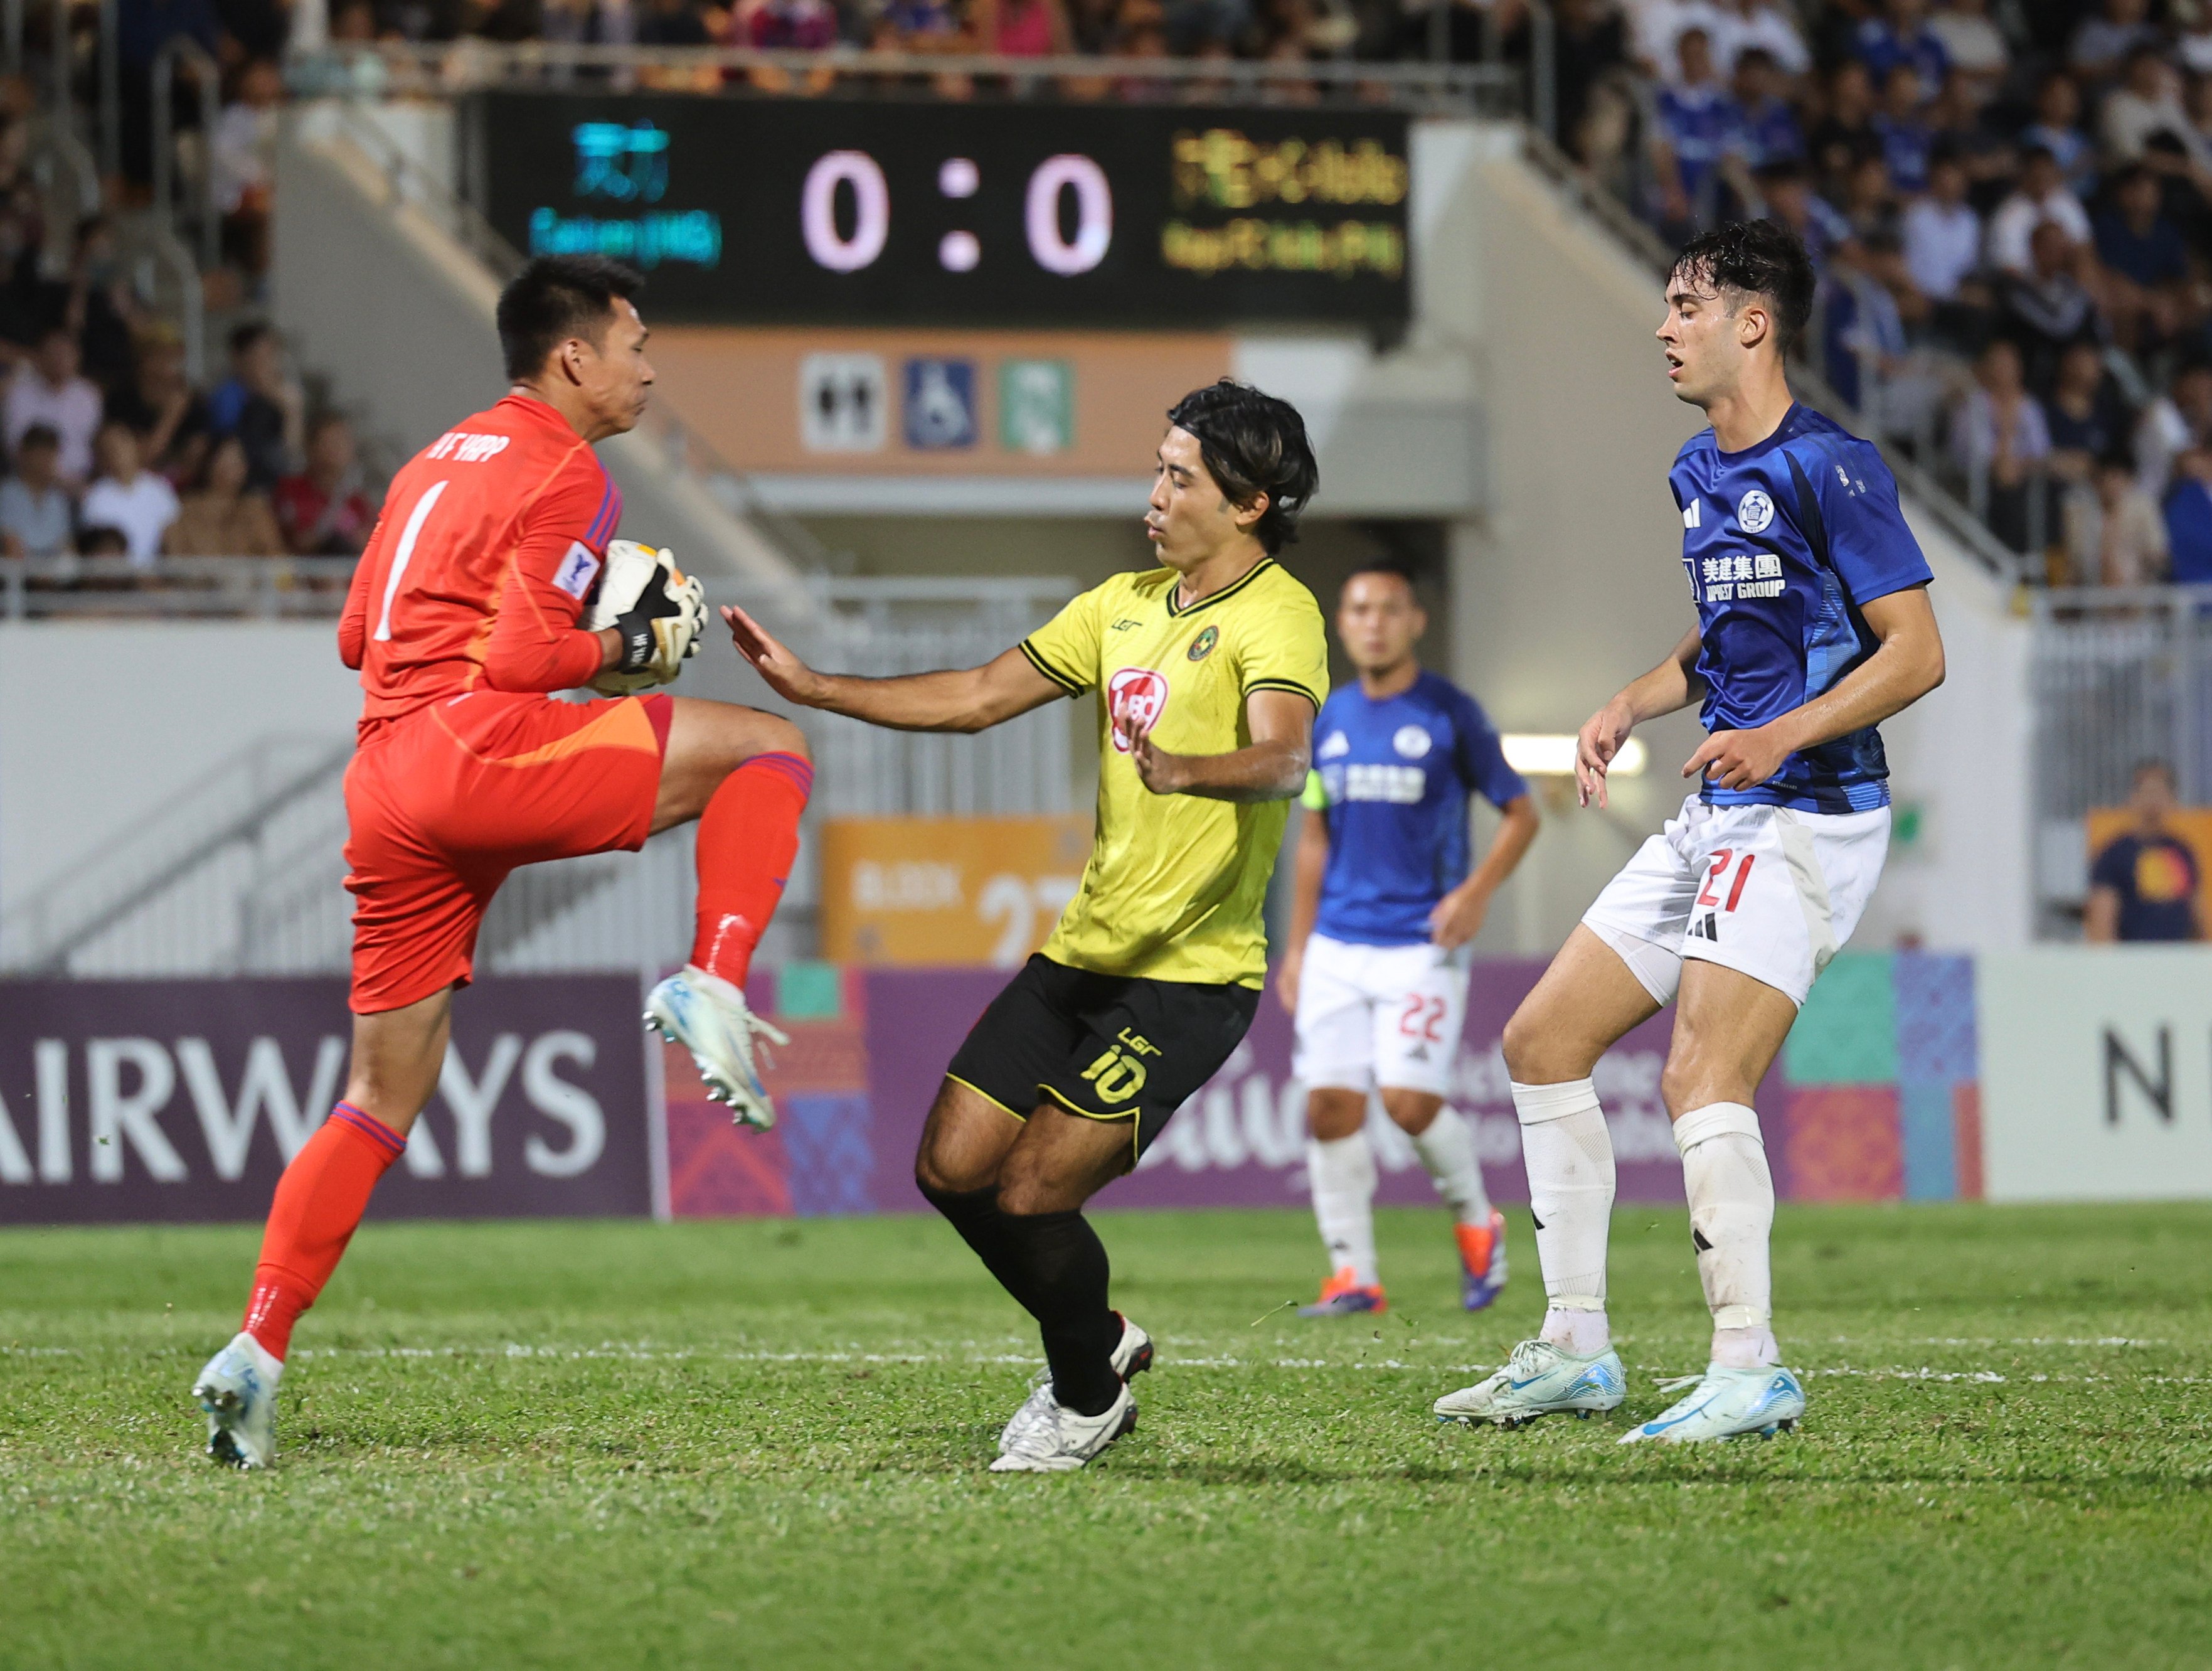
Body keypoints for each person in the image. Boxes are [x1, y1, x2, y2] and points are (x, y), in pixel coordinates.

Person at [190, 255, 813, 1470]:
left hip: (383, 782)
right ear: (572, 356)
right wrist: (629, 641)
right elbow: (528, 656)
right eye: (635, 342)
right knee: (768, 751)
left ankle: (253, 1354)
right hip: (473, 749)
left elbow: (356, 635)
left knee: (375, 1099)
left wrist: (549, 641)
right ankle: (713, 976)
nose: (647, 366)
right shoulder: (569, 469)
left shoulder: (433, 459)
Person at [722, 380, 1328, 1473]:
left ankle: (1085, 1393)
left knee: (1036, 1189)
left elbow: (1285, 756)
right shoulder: (1121, 605)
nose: (1154, 492)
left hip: (1192, 979)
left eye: (1178, 476)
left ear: (1248, 503)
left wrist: (1187, 767)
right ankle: (1100, 1339)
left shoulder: (1279, 612)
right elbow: (972, 695)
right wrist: (813, 686)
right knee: (950, 1169)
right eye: (1157, 466)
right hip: (1077, 955)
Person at [1431, 219, 1945, 1442]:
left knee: (1698, 1072)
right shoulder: (1696, 470)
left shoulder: (1832, 465)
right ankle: (1572, 1348)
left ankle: (1747, 1364)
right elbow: (1723, 633)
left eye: (1683, 305)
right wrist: (1628, 695)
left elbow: (1916, 651)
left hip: (1809, 812)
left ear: (1750, 322)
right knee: (1541, 1037)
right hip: (1719, 804)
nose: (1661, 327)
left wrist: (1781, 735)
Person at [1280, 563, 1538, 1318]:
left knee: (1406, 1100)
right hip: (1335, 940)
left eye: (1389, 609)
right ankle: (1352, 1276)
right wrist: (1295, 946)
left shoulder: (1450, 712)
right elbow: (1314, 836)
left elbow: (1521, 812)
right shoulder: (1328, 719)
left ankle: (1475, 1221)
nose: (1373, 622)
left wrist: (1476, 891)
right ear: (1342, 621)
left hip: (1421, 943)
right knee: (1329, 1106)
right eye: (1359, 608)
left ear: (1414, 622)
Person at [2087, 759, 2203, 941]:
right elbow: (2103, 920)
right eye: (2147, 792)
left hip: (2178, 960)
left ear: (2172, 799)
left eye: (2160, 792)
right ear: (2133, 796)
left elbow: (2197, 914)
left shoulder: (2182, 852)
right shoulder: (2114, 855)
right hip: (2133, 960)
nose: (2153, 801)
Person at [4, 324, 103, 484]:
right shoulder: (19, 394)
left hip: (81, 481)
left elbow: (93, 444)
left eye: (66, 354)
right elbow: (16, 447)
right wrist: (60, 481)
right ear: (40, 356)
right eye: (53, 353)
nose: (59, 360)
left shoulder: (89, 395)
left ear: (77, 357)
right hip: (31, 483)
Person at [274, 412, 378, 556]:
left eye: (343, 441)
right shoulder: (291, 490)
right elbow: (298, 542)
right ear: (311, 447)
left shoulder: (357, 501)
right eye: (331, 442)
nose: (338, 449)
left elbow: (372, 547)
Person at [165, 435, 286, 557]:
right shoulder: (186, 507)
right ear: (209, 463)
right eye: (223, 460)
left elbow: (275, 554)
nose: (228, 468)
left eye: (236, 461)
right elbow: (175, 554)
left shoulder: (256, 509)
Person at [79, 420, 180, 563]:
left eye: (122, 443)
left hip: (157, 575)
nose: (117, 450)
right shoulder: (96, 497)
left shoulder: (160, 489)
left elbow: (174, 540)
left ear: (136, 445)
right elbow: (100, 551)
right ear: (102, 456)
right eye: (110, 447)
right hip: (118, 577)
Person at [0, 423, 72, 558]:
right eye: (40, 453)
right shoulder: (6, 494)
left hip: (54, 575)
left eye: (51, 453)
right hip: (17, 576)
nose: (46, 460)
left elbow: (66, 545)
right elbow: (10, 545)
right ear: (24, 454)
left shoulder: (58, 498)